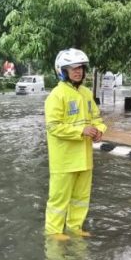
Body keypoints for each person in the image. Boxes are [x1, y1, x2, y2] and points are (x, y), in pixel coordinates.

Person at [44, 48, 107, 241]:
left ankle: (75, 226)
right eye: (72, 68)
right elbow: (53, 126)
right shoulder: (56, 95)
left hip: (84, 158)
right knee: (59, 198)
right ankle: (54, 231)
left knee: (81, 198)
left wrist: (100, 130)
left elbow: (96, 117)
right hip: (64, 160)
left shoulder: (87, 93)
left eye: (80, 68)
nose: (78, 71)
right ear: (62, 71)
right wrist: (80, 131)